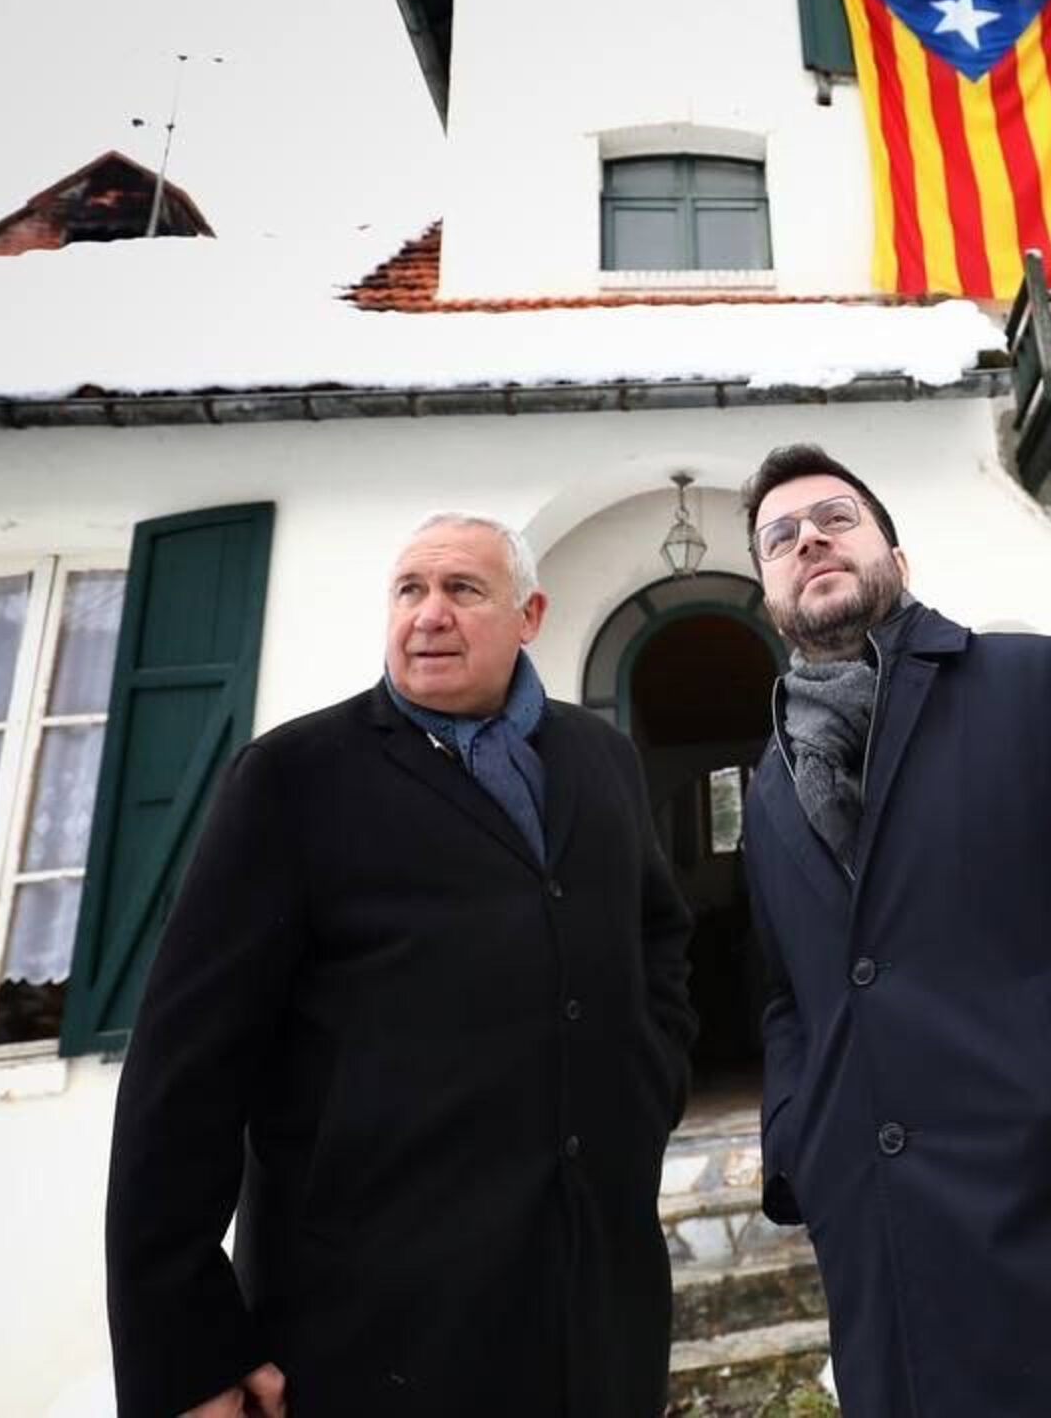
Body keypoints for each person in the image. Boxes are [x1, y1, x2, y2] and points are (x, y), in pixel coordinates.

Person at [104, 513, 695, 1418]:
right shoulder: (294, 778)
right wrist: (184, 1348)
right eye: (409, 590)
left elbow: (657, 937)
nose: (428, 615)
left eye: (463, 590)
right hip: (375, 1334)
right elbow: (183, 1076)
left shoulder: (602, 760)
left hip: (597, 1309)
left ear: (528, 615)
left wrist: (647, 1086)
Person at [736, 444, 1051, 1418]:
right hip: (890, 1235)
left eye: (835, 517)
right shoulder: (766, 791)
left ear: (897, 552)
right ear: (767, 590)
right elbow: (786, 993)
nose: (807, 536)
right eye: (779, 536)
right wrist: (799, 1140)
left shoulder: (1033, 681)